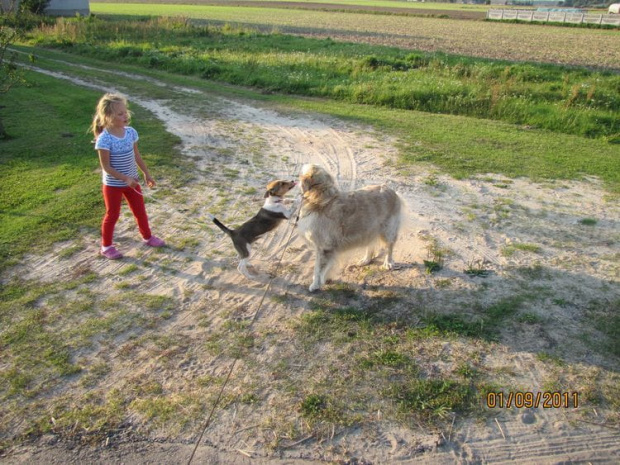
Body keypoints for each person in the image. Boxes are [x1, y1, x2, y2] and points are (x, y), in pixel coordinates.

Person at [91, 93, 165, 259]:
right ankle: (106, 246)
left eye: (125, 112)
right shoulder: (104, 139)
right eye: (120, 113)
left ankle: (147, 237)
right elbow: (106, 166)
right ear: (108, 116)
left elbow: (137, 155)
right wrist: (124, 178)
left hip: (133, 183)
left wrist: (146, 174)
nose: (125, 116)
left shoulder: (131, 133)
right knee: (112, 215)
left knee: (140, 211)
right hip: (113, 185)